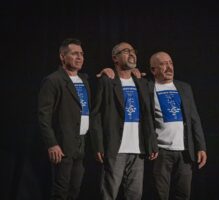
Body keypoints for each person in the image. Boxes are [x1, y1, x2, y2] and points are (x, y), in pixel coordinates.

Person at [99, 51, 207, 200]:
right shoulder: (146, 86)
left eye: (170, 63)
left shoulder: (184, 87)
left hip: (185, 151)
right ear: (153, 70)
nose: (168, 67)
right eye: (162, 64)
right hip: (160, 152)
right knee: (159, 195)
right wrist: (108, 70)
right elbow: (124, 78)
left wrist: (201, 146)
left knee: (183, 194)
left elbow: (194, 118)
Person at [90, 42, 158, 200]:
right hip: (115, 148)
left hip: (138, 149)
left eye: (133, 51)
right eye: (126, 51)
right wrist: (98, 145)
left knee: (135, 195)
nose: (132, 54)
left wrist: (152, 142)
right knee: (108, 194)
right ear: (115, 58)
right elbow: (95, 115)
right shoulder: (106, 81)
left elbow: (148, 115)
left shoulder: (141, 82)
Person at [38, 38, 90, 200]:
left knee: (75, 190)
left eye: (81, 54)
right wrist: (52, 144)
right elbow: (43, 116)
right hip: (63, 144)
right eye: (74, 54)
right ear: (62, 56)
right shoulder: (53, 80)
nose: (79, 57)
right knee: (61, 191)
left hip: (81, 143)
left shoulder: (84, 79)